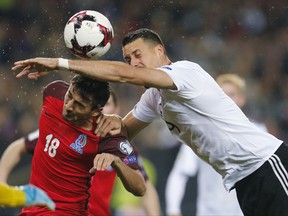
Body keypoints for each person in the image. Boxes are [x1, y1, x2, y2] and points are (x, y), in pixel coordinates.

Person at [12, 28, 288, 215]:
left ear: (159, 50)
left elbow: (125, 77)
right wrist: (104, 122)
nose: (133, 63)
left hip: (266, 162)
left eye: (137, 55)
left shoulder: (185, 73)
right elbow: (122, 131)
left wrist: (60, 63)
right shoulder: (154, 98)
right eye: (128, 59)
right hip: (243, 180)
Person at [0, 91, 160, 216]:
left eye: (107, 105)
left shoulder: (120, 147)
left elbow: (144, 186)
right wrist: (2, 185)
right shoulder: (64, 131)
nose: (103, 109)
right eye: (99, 105)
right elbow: (18, 147)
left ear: (116, 111)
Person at [165, 74, 266, 216]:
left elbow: (265, 178)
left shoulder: (257, 132)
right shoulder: (198, 133)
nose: (227, 99)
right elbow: (180, 173)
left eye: (232, 94)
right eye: (223, 94)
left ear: (242, 99)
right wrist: (173, 209)